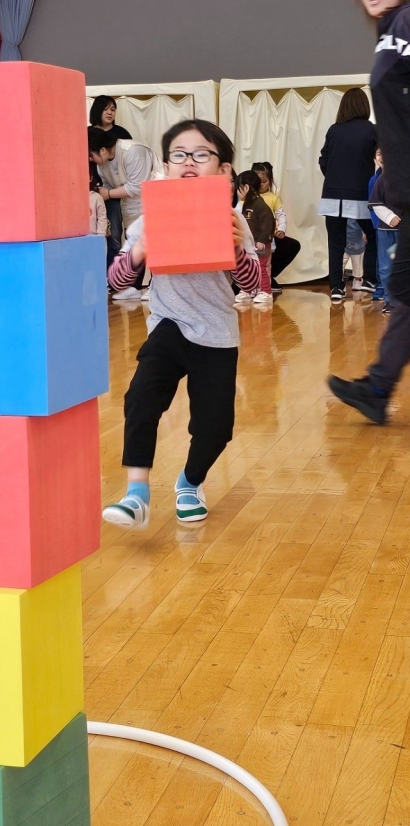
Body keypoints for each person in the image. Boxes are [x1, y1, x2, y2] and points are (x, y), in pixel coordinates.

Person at [101, 119, 260, 529]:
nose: (189, 161)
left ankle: (189, 482)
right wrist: (139, 250)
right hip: (168, 324)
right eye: (179, 154)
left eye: (201, 154)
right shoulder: (150, 219)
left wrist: (235, 251)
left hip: (217, 332)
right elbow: (115, 280)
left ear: (223, 169)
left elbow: (253, 285)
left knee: (216, 429)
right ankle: (137, 493)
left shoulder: (234, 221)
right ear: (167, 165)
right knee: (141, 398)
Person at [328, 0, 410, 425]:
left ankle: (377, 388)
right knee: (404, 290)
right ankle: (377, 389)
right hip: (406, 193)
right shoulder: (391, 29)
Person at [88, 128, 162, 301]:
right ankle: (134, 286)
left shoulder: (132, 151)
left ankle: (156, 286)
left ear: (103, 150)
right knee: (135, 241)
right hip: (130, 203)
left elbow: (137, 186)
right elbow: (108, 184)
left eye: (91, 155)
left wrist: (108, 194)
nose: (90, 159)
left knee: (154, 243)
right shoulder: (102, 164)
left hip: (155, 197)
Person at [318, 88, 378, 303]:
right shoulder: (372, 130)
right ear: (364, 106)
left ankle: (336, 287)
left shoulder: (334, 130)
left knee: (335, 242)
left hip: (332, 195)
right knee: (374, 234)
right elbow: (383, 158)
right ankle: (369, 279)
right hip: (361, 193)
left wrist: (335, 179)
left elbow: (323, 160)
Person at [89, 96, 132, 272]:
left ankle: (112, 274)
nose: (110, 112)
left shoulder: (122, 134)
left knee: (114, 234)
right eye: (106, 109)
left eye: (113, 109)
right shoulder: (86, 132)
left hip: (114, 192)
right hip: (91, 191)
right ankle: (96, 272)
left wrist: (110, 192)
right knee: (91, 232)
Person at [251, 161, 301, 293]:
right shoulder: (248, 198)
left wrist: (281, 229)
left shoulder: (273, 198)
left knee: (266, 263)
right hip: (251, 238)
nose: (261, 185)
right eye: (257, 181)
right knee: (253, 261)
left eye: (264, 182)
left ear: (270, 181)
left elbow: (281, 215)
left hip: (267, 238)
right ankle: (251, 286)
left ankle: (266, 286)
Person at [236, 170, 275, 305]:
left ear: (246, 187)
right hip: (250, 244)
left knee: (261, 267)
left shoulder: (259, 205)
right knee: (249, 267)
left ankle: (266, 292)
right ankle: (249, 290)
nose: (237, 192)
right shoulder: (247, 204)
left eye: (239, 188)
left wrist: (262, 240)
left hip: (260, 244)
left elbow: (268, 222)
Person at [369, 153, 401, 314]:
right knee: (386, 267)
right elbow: (375, 203)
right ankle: (390, 301)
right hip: (386, 232)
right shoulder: (382, 179)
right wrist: (389, 217)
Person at [369, 148, 384, 300]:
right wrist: (376, 224)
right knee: (382, 258)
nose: (383, 157)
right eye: (379, 154)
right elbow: (372, 206)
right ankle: (380, 286)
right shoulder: (373, 181)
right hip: (381, 227)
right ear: (374, 159)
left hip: (400, 226)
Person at [344, 220, 367, 291]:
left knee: (358, 261)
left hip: (358, 238)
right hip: (344, 239)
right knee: (340, 262)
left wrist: (365, 232)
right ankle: (339, 283)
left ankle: (357, 280)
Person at [89, 172, 108, 237]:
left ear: (90, 178)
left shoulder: (97, 197)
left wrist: (100, 237)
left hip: (94, 237)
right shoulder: (71, 197)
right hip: (75, 239)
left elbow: (102, 218)